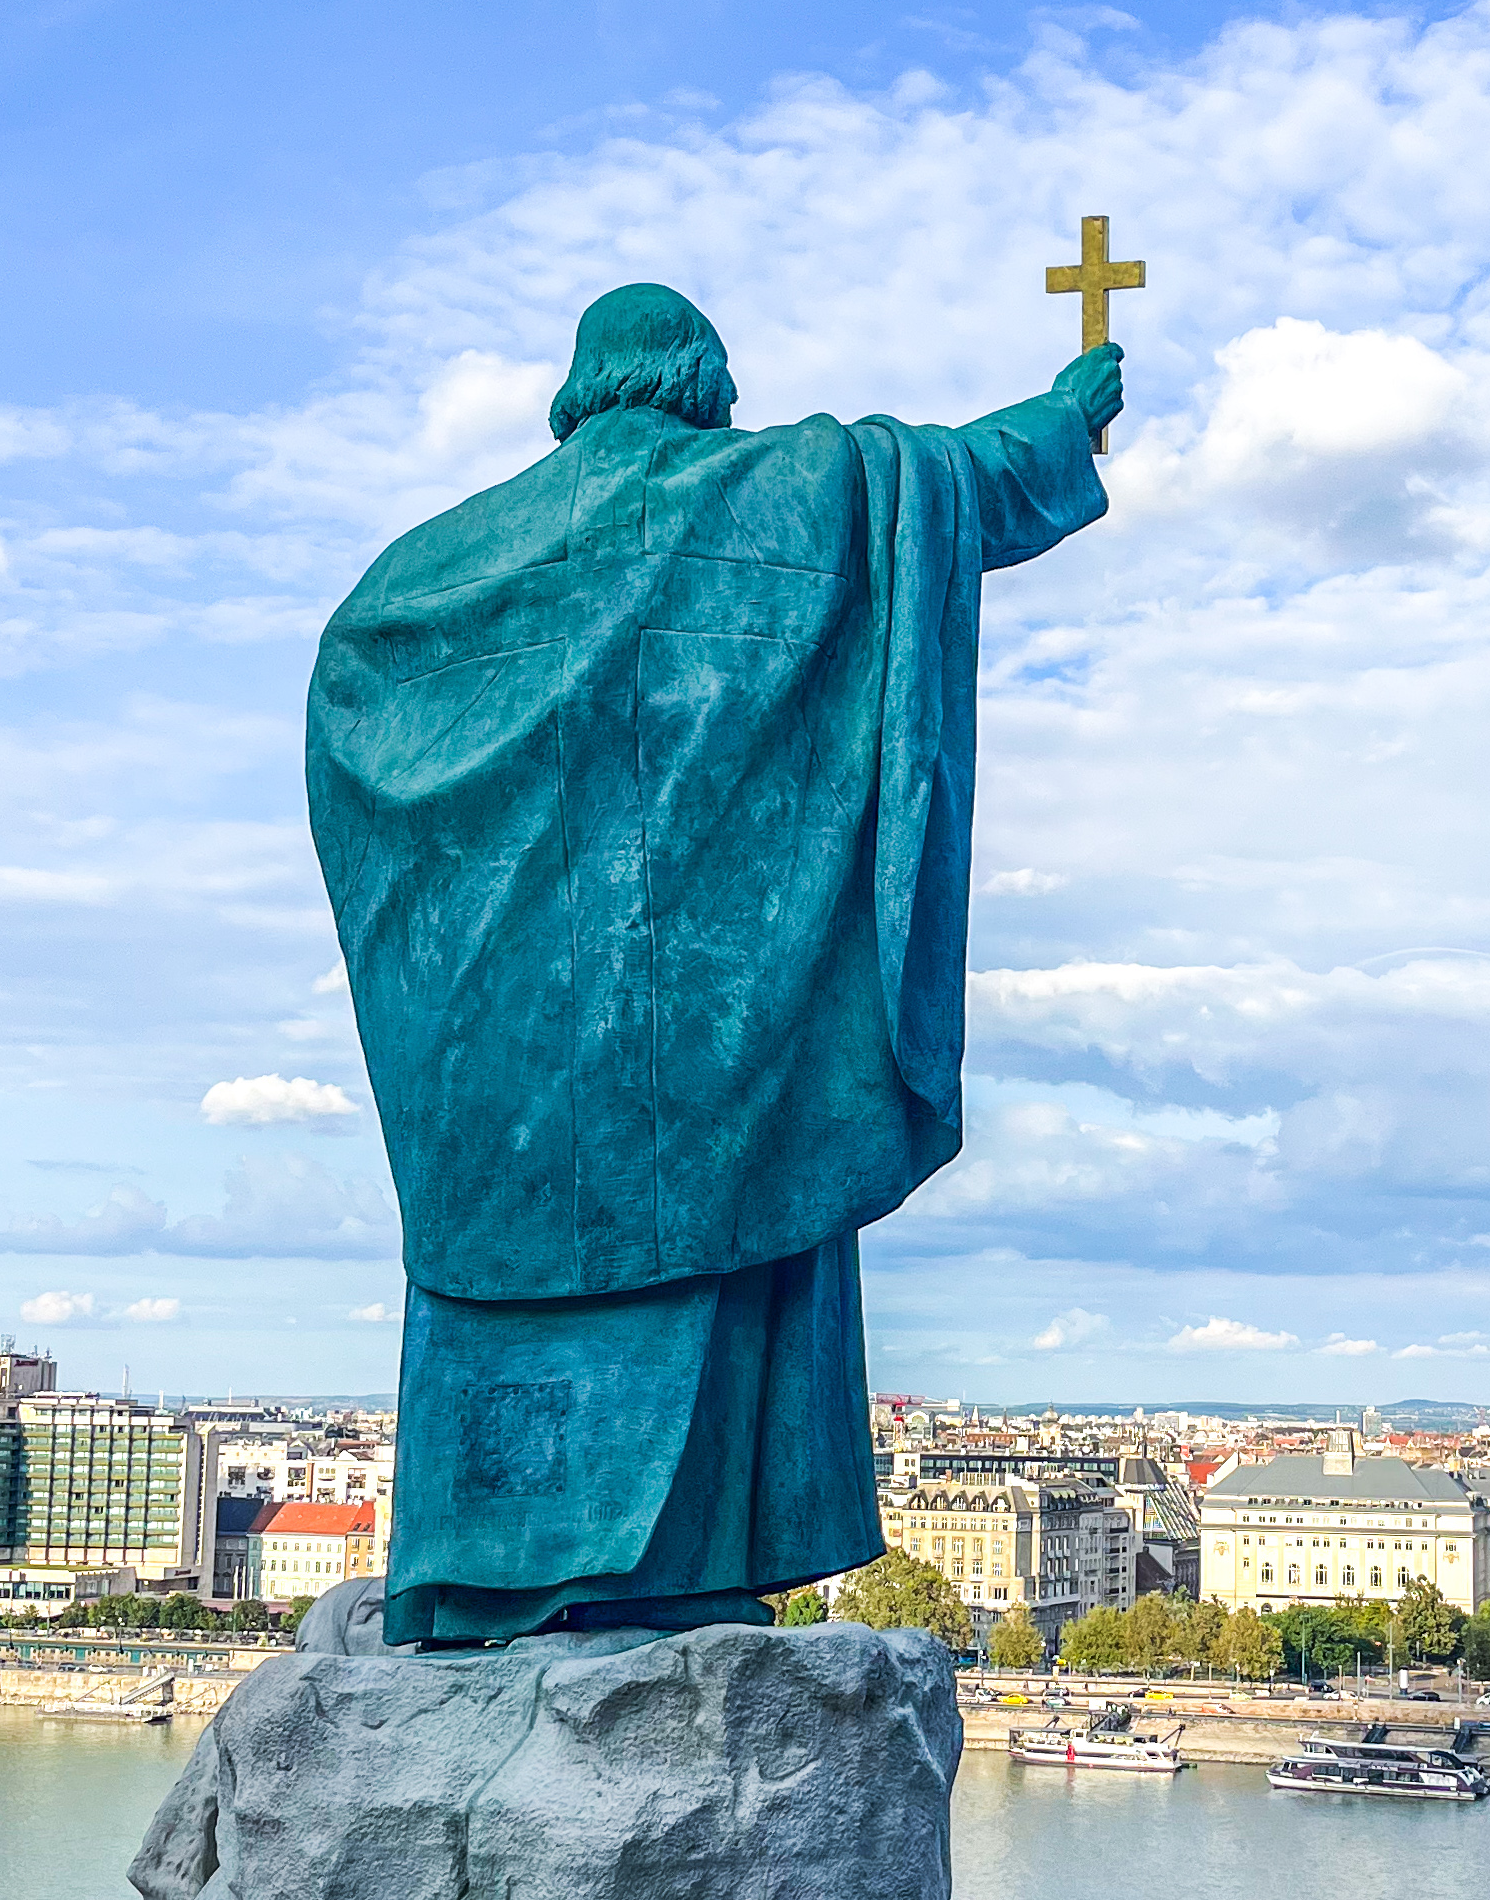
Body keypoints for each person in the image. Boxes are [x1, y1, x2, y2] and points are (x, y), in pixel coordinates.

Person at [308, 282, 1117, 1648]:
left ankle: (477, 1576)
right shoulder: (788, 487)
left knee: (531, 1265)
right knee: (730, 1194)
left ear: (579, 386)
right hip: (701, 1045)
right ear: (703, 381)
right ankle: (673, 1572)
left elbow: (353, 705)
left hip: (499, 1074)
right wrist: (1067, 412)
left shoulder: (423, 571)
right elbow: (948, 479)